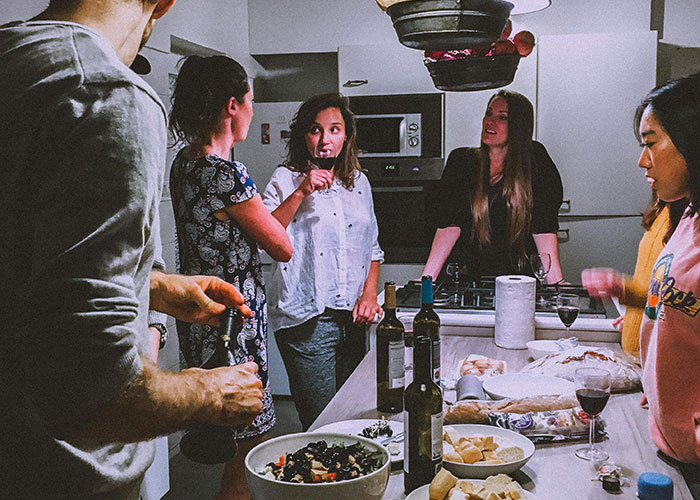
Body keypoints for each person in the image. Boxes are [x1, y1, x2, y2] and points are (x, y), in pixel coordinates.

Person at [0, 2, 266, 498]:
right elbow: (91, 391)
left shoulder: (13, 61)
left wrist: (157, 287)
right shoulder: (105, 94)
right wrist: (210, 390)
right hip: (60, 476)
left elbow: (21, 261)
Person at [168, 54, 292, 499]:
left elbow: (252, 230)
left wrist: (296, 195)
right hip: (233, 323)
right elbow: (281, 245)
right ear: (232, 105)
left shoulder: (184, 164)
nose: (253, 111)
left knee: (229, 438)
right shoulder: (226, 173)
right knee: (249, 442)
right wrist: (299, 194)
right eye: (250, 101)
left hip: (199, 316)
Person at [262, 93, 384, 430]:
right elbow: (267, 236)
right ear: (305, 136)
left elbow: (372, 246)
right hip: (306, 319)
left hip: (353, 321)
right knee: (322, 423)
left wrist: (369, 296)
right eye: (316, 130)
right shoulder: (285, 178)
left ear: (346, 136)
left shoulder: (359, 182)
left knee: (354, 417)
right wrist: (301, 192)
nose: (325, 139)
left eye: (334, 130)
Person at [422, 90, 564, 284]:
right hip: (469, 281)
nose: (490, 121)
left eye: (502, 117)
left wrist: (556, 284)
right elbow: (449, 226)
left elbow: (543, 228)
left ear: (518, 127)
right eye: (489, 114)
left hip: (520, 283)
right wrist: (426, 280)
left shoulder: (535, 161)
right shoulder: (461, 162)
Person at [631, 73, 700, 469]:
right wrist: (659, 387)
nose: (643, 160)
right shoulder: (688, 216)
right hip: (671, 449)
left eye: (651, 143)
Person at [581, 194, 687, 357]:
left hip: (662, 361)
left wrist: (623, 289)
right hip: (639, 358)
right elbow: (656, 284)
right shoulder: (664, 208)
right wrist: (634, 318)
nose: (643, 166)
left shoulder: (691, 220)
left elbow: (685, 301)